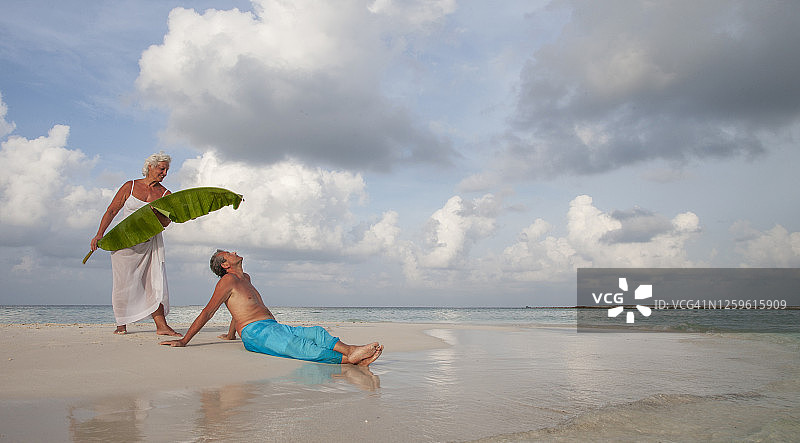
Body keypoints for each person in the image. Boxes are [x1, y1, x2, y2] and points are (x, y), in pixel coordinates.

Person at [160, 250, 383, 366]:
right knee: (298, 346)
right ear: (225, 265)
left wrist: (230, 335)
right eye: (228, 254)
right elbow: (208, 312)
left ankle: (353, 351)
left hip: (272, 326)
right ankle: (349, 359)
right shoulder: (227, 281)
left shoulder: (245, 278)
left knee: (315, 332)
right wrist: (184, 340)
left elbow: (236, 308)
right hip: (256, 333)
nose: (233, 251)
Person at [90, 152, 181, 336]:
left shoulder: (165, 194)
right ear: (150, 167)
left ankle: (161, 325)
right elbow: (112, 210)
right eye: (161, 168)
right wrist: (99, 234)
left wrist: (157, 214)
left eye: (166, 170)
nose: (164, 173)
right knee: (123, 283)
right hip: (124, 243)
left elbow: (166, 223)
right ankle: (121, 323)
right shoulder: (130, 186)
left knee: (154, 283)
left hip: (150, 243)